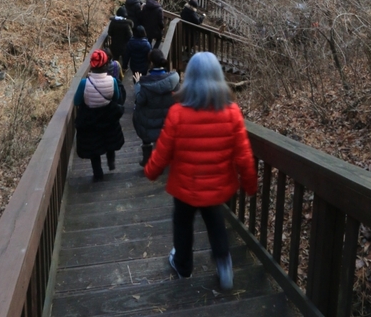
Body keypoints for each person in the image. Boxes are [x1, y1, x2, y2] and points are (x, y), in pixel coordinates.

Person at [144, 52, 257, 290]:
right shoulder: (232, 112)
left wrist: (151, 171)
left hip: (185, 187)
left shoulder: (177, 113)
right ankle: (224, 265)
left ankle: (183, 265)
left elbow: (162, 151)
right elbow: (243, 154)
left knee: (183, 224)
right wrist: (249, 184)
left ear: (190, 79)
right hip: (216, 186)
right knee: (215, 222)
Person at [74, 49, 125, 181]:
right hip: (108, 116)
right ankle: (111, 160)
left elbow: (77, 101)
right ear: (105, 64)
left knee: (94, 147)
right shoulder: (112, 80)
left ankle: (98, 173)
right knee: (109, 139)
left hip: (90, 119)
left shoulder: (84, 83)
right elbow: (116, 98)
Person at [133, 48, 179, 167]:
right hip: (169, 121)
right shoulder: (173, 80)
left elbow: (140, 101)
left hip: (150, 123)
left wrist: (138, 84)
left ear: (151, 63)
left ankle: (147, 158)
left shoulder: (145, 83)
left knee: (139, 115)